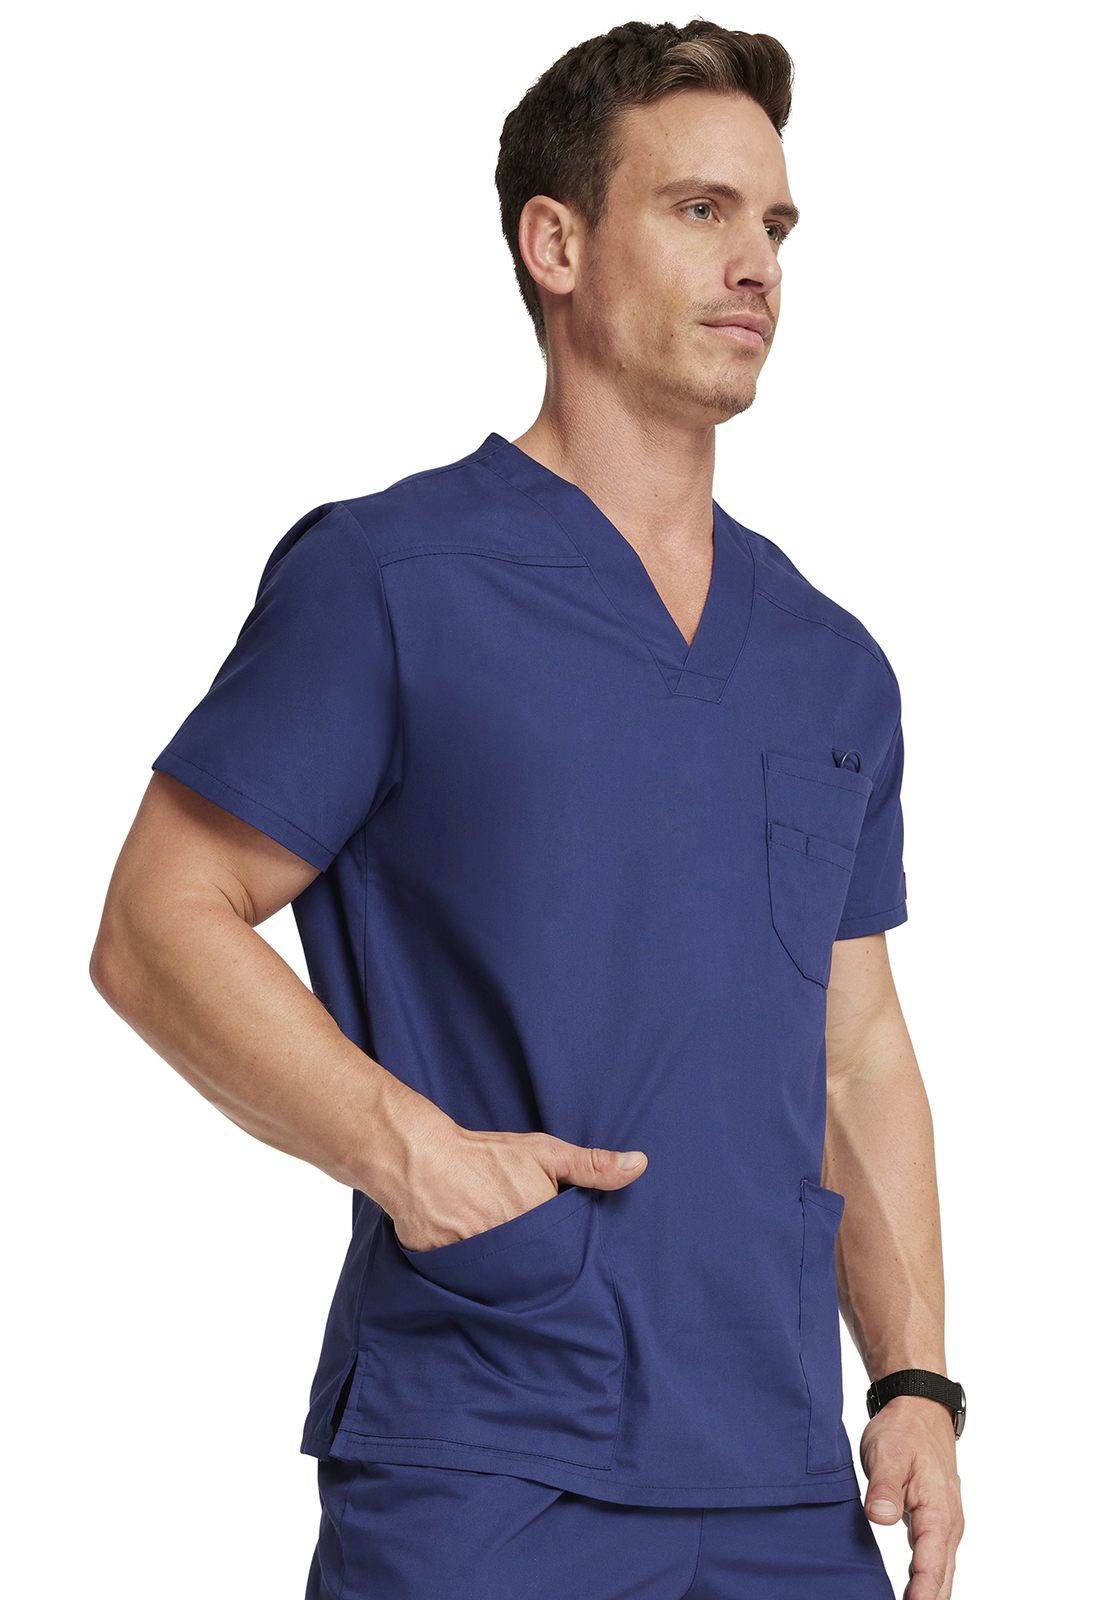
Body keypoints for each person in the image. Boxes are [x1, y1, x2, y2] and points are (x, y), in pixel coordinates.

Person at [91, 19, 965, 1600]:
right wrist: (412, 1156)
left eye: (774, 224)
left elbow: (855, 1049)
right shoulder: (392, 580)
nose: (756, 264)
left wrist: (912, 1378)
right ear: (553, 245)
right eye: (699, 210)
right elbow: (159, 923)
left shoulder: (833, 666)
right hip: (489, 1451)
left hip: (785, 1480)